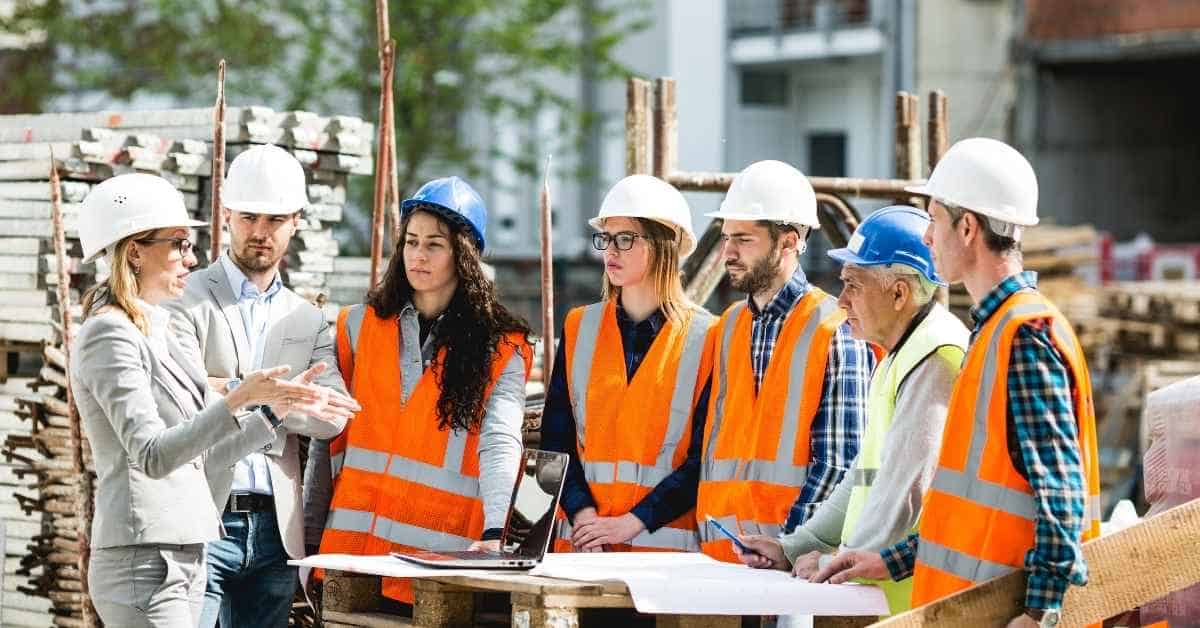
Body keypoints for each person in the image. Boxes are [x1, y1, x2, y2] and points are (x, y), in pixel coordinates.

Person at [811, 139, 1102, 628]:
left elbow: (1061, 493)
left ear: (967, 227)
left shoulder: (1024, 336)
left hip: (1002, 613)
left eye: (933, 220)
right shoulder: (995, 333)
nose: (926, 238)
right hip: (970, 609)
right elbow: (965, 505)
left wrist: (1040, 613)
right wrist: (891, 560)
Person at [70, 173, 350, 628]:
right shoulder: (108, 332)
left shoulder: (154, 329)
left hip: (183, 551)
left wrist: (272, 411)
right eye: (178, 243)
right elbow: (153, 455)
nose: (191, 257)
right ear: (134, 250)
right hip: (144, 560)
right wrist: (238, 396)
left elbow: (198, 455)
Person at [735, 206, 968, 615]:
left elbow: (905, 492)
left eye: (853, 286)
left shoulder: (936, 356)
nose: (841, 302)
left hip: (915, 602)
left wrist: (836, 561)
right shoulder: (900, 355)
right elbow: (863, 478)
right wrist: (796, 547)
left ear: (898, 293)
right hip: (887, 596)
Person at [310, 176, 533, 603]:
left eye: (434, 244)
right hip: (351, 561)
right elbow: (327, 442)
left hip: (435, 567)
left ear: (463, 254)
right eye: (411, 242)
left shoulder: (502, 347)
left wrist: (494, 529)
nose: (418, 255)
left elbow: (501, 442)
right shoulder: (356, 326)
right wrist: (307, 534)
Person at [165, 144, 359, 628]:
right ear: (226, 214)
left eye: (274, 219)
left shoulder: (308, 317)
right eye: (249, 216)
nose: (260, 231)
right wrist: (273, 394)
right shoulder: (186, 299)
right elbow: (177, 401)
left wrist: (230, 392)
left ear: (295, 222)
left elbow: (331, 416)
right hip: (202, 518)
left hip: (275, 529)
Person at [695, 160, 876, 562]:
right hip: (718, 558)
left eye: (743, 239)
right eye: (726, 238)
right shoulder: (727, 328)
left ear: (789, 241)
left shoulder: (835, 329)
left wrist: (789, 546)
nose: (728, 253)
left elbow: (839, 463)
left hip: (794, 565)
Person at [542, 175, 714, 553]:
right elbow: (555, 444)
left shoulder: (710, 339)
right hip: (582, 554)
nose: (610, 252)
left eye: (625, 238)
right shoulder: (579, 327)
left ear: (664, 244)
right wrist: (583, 514)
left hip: (664, 564)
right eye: (606, 238)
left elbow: (704, 460)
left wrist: (631, 523)